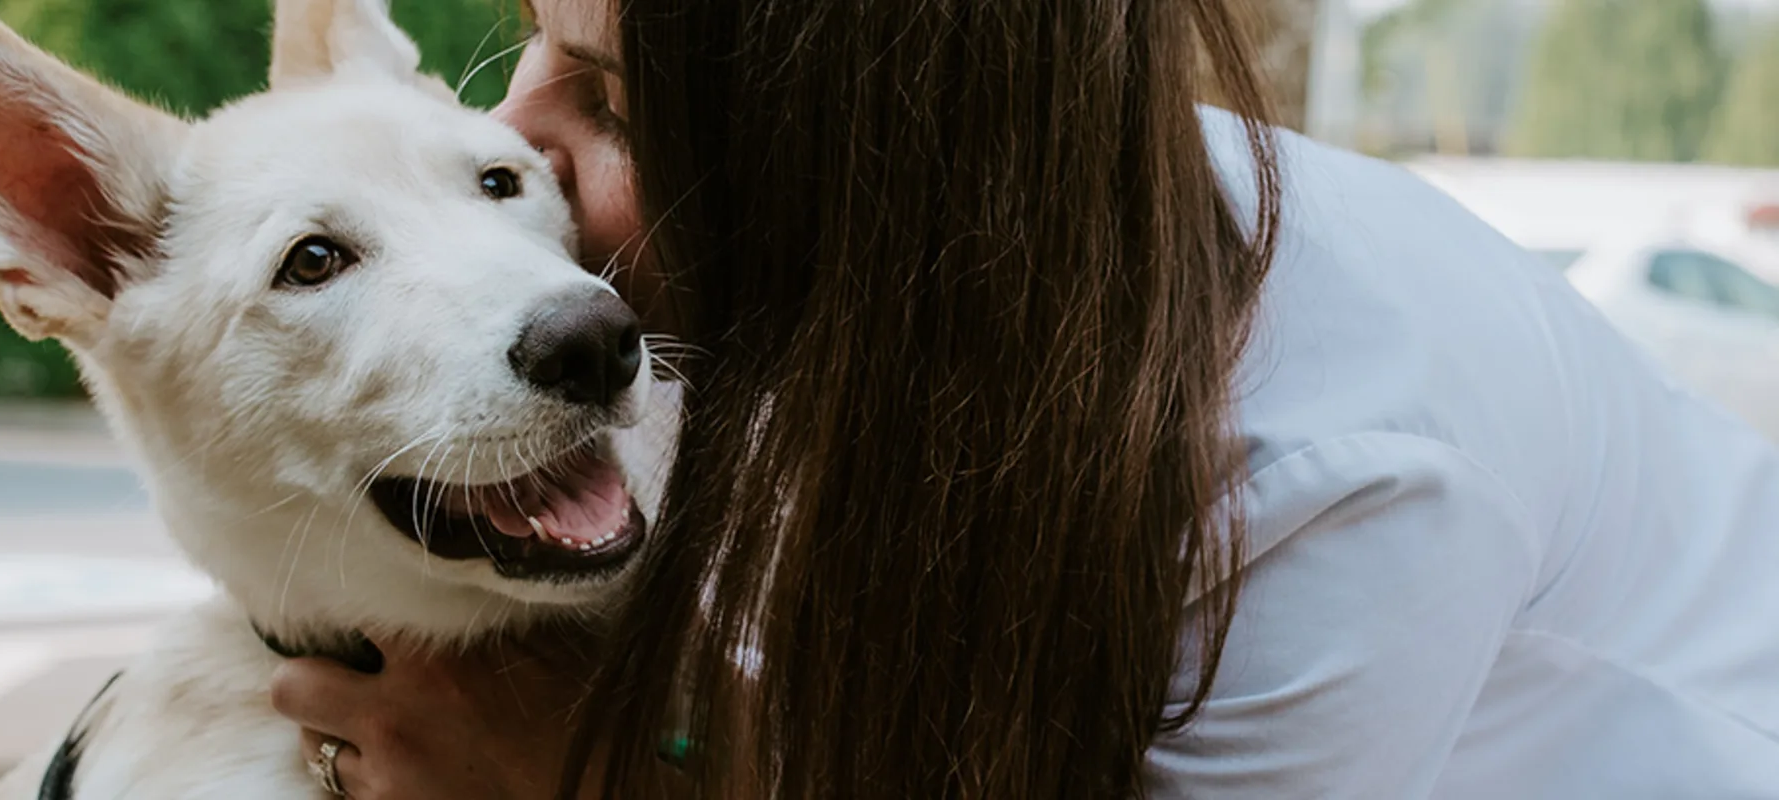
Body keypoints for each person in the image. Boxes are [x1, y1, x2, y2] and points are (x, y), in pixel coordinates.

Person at [266, 0, 1779, 797]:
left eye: (608, 101)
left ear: (852, 171)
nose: (512, 130)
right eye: (534, 38)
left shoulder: (1338, 477)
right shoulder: (929, 283)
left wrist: (588, 789)